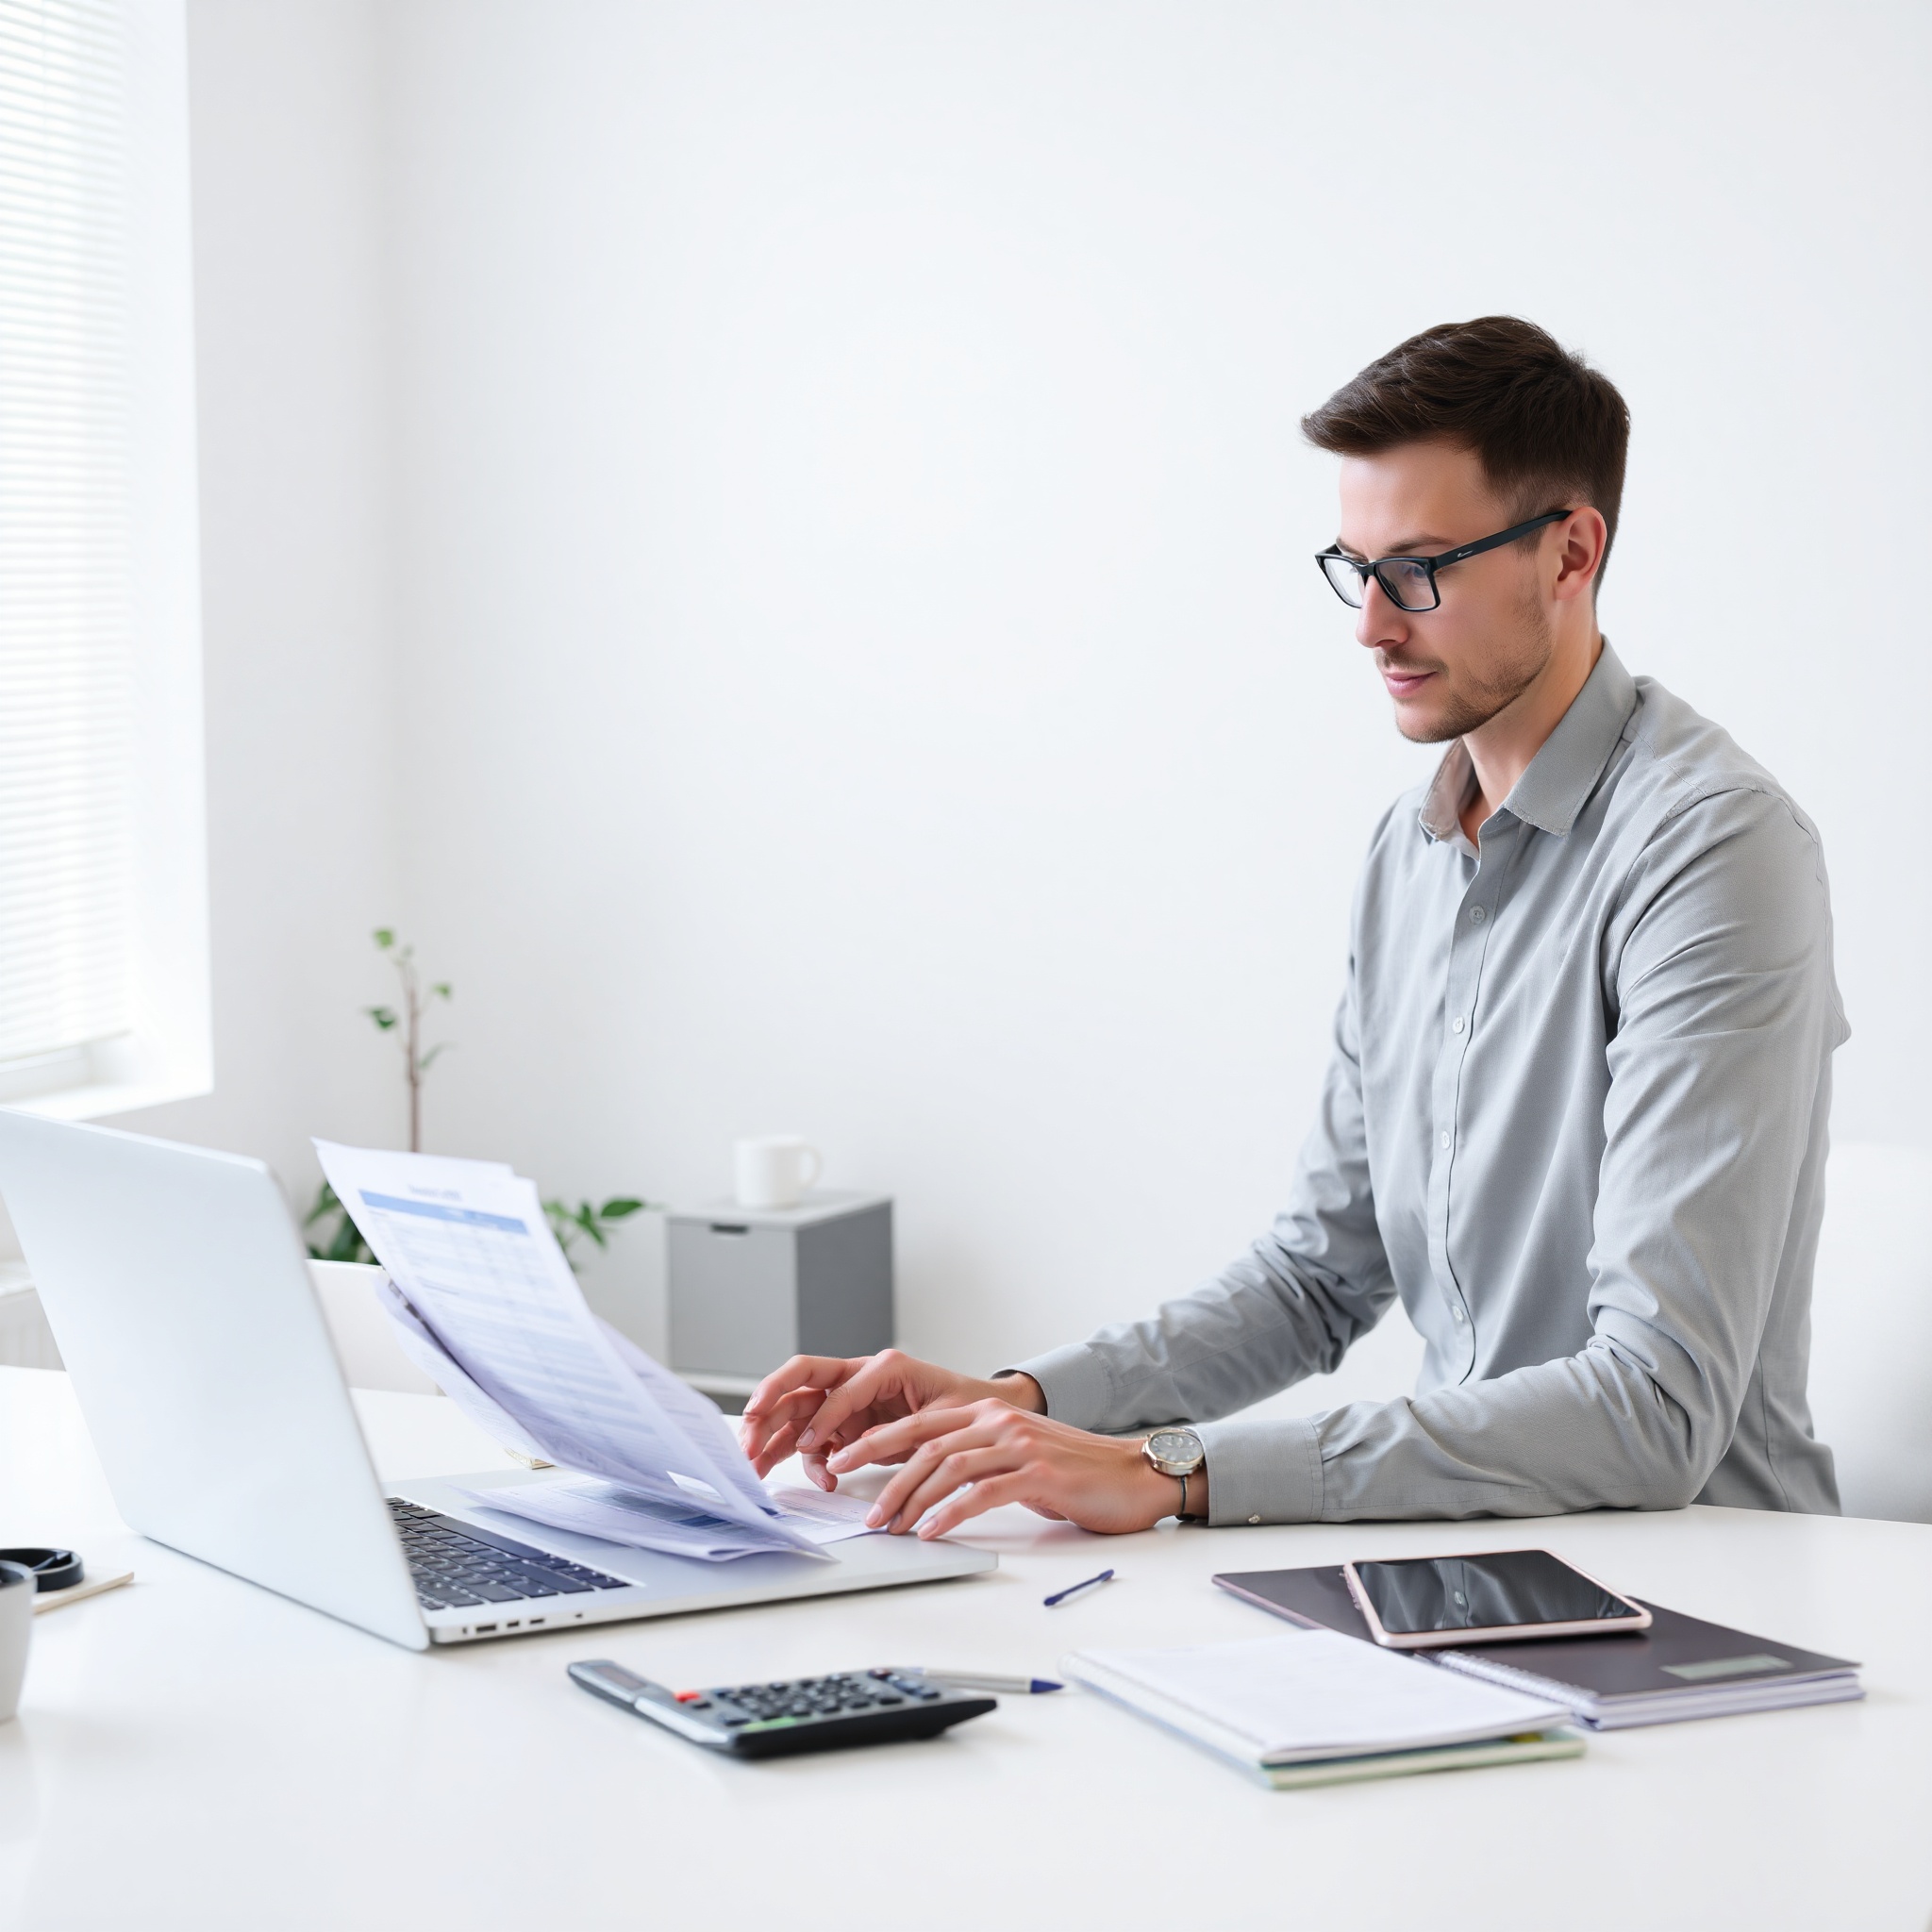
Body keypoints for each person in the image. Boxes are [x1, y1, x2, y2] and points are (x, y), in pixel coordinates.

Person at [740, 315, 1846, 1541]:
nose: (1371, 627)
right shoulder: (1409, 851)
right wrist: (1021, 1403)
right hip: (1471, 1560)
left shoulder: (1714, 850)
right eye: (1354, 569)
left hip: (1709, 1589)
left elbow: (1653, 1405)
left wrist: (1171, 1466)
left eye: (1420, 571)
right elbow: (1316, 1278)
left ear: (1570, 552)